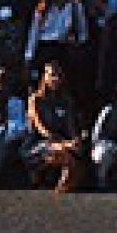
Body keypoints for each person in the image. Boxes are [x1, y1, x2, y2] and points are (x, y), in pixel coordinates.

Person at [21, 61, 87, 194]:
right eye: (52, 75)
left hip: (61, 143)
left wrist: (75, 139)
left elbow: (70, 126)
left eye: (58, 75)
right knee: (61, 151)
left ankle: (66, 182)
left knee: (75, 149)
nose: (55, 79)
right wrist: (65, 144)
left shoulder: (66, 100)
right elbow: (41, 129)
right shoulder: (35, 100)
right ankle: (57, 178)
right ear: (44, 77)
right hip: (35, 145)